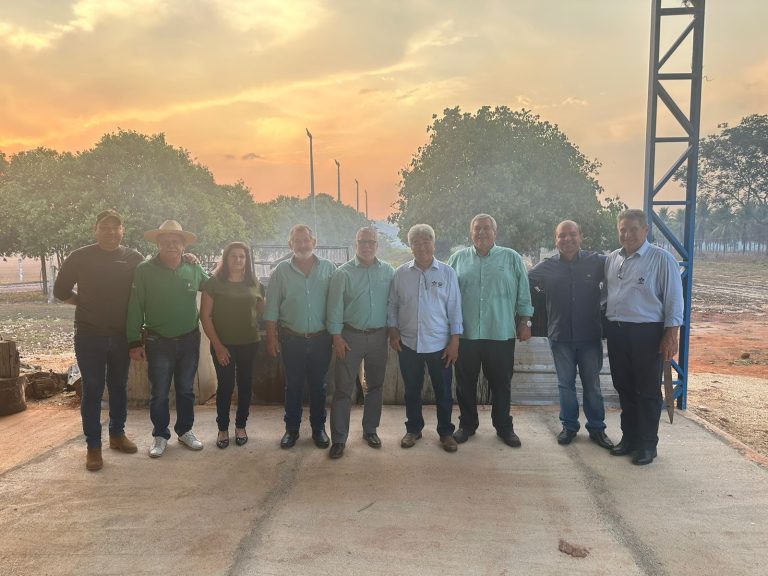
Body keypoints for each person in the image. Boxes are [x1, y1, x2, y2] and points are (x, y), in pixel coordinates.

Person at [54, 210, 144, 471]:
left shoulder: (134, 258)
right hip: (89, 335)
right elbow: (60, 290)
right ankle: (93, 447)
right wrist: (84, 303)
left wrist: (187, 258)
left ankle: (117, 434)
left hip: (121, 336)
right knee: (93, 389)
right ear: (96, 229)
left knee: (119, 386)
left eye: (116, 227)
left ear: (123, 230)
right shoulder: (80, 257)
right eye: (105, 227)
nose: (110, 232)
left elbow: (154, 275)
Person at [604, 209, 683, 466]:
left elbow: (674, 299)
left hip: (647, 333)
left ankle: (648, 445)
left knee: (647, 390)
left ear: (646, 230)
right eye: (623, 230)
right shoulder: (613, 258)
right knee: (624, 387)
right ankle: (629, 439)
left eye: (633, 229)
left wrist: (671, 334)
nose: (627, 235)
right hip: (617, 331)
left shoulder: (662, 259)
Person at [447, 214, 533, 448]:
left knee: (501, 384)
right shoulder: (457, 259)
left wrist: (525, 321)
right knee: (465, 383)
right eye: (477, 229)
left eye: (487, 228)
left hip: (500, 333)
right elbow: (448, 296)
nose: (482, 232)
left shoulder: (511, 258)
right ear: (471, 233)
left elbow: (524, 293)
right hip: (466, 335)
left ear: (495, 232)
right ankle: (467, 425)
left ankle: (504, 427)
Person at [126, 220, 208, 458]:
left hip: (189, 340)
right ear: (158, 244)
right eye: (166, 241)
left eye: (176, 241)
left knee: (186, 390)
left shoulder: (193, 268)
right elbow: (135, 306)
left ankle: (185, 431)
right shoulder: (144, 270)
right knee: (159, 392)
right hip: (158, 341)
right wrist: (133, 341)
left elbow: (214, 285)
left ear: (183, 246)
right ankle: (160, 435)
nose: (171, 245)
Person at [528, 220, 613, 449]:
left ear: (580, 236)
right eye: (562, 235)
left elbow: (619, 273)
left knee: (592, 385)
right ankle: (569, 427)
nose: (567, 239)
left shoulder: (597, 262)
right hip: (560, 336)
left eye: (572, 234)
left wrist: (603, 302)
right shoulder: (547, 267)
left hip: (589, 336)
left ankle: (597, 428)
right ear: (556, 240)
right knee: (565, 385)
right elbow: (524, 280)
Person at [388, 224, 462, 453]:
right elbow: (392, 305)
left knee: (443, 392)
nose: (422, 246)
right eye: (416, 242)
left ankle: (446, 432)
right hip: (408, 343)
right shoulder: (400, 274)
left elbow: (455, 308)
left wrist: (455, 341)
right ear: (410, 246)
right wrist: (393, 330)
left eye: (426, 241)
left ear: (434, 243)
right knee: (411, 390)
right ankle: (413, 429)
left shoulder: (447, 273)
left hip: (440, 344)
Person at [263, 224, 336, 449]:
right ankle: (291, 430)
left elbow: (336, 304)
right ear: (290, 244)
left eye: (306, 240)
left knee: (319, 386)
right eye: (298, 241)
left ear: (314, 242)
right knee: (293, 386)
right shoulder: (281, 271)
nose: (302, 245)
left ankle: (318, 429)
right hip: (291, 339)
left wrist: (337, 335)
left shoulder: (329, 268)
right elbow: (272, 307)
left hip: (321, 339)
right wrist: (271, 338)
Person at [326, 227, 395, 459]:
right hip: (350, 337)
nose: (367, 246)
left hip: (379, 336)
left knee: (375, 386)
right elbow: (334, 308)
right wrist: (336, 336)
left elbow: (393, 304)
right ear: (356, 244)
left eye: (371, 242)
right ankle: (339, 439)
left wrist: (392, 331)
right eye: (363, 242)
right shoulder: (343, 273)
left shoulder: (388, 271)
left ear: (377, 245)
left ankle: (370, 430)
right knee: (343, 388)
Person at [200, 242, 265, 449]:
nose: (238, 260)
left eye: (242, 256)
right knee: (226, 386)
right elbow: (205, 316)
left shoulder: (255, 283)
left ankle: (241, 426)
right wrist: (218, 346)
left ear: (247, 260)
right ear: (226, 259)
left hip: (250, 343)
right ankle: (222, 429)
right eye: (233, 256)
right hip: (223, 345)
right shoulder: (214, 283)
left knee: (245, 386)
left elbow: (261, 310)